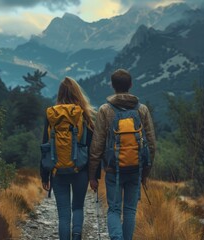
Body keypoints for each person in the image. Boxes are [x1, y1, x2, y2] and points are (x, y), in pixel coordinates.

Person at [88, 69, 156, 240]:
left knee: (114, 209)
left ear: (112, 86)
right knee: (130, 210)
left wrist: (92, 175)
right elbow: (152, 144)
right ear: (131, 85)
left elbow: (97, 145)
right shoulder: (143, 110)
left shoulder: (105, 110)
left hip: (112, 168)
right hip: (136, 168)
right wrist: (145, 173)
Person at [40, 77, 95, 240]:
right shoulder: (83, 114)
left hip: (57, 170)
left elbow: (45, 146)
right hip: (81, 168)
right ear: (77, 93)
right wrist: (94, 176)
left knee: (63, 215)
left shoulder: (51, 114)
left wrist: (44, 175)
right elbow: (91, 147)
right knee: (77, 207)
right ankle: (77, 236)